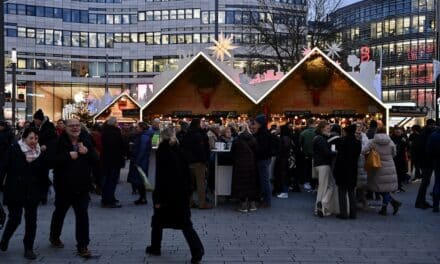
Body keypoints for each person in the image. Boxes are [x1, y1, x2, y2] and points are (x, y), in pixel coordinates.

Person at [146, 127, 204, 264]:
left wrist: (158, 197)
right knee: (185, 224)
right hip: (181, 193)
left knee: (158, 221)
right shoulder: (180, 150)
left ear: (162, 137)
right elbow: (187, 173)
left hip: (166, 194)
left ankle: (155, 247)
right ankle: (197, 250)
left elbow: (161, 177)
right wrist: (189, 190)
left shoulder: (162, 151)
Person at [49, 118, 98, 258]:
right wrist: (67, 156)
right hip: (63, 186)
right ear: (65, 128)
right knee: (60, 212)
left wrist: (87, 152)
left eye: (77, 125)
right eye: (72, 126)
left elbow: (96, 159)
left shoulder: (87, 140)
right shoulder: (58, 142)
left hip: (82, 186)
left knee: (82, 215)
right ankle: (54, 236)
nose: (75, 128)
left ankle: (83, 246)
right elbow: (50, 161)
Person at [0, 128, 44, 259]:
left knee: (31, 221)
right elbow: (3, 168)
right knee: (15, 218)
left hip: (32, 190)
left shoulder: (39, 152)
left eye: (36, 139)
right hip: (15, 189)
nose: (33, 141)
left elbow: (43, 171)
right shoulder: (14, 149)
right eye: (31, 138)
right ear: (24, 138)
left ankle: (28, 248)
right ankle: (5, 239)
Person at [363, 127, 401, 216]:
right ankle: (387, 206)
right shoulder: (390, 141)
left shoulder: (372, 141)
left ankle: (391, 204)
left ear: (376, 132)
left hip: (376, 166)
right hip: (389, 166)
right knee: (385, 188)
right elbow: (394, 153)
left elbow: (363, 151)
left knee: (378, 187)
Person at [181, 119, 212, 209]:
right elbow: (201, 149)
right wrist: (205, 160)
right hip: (198, 162)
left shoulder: (187, 134)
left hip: (188, 162)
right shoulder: (199, 135)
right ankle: (202, 203)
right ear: (198, 124)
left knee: (190, 183)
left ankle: (190, 202)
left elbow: (183, 148)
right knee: (200, 184)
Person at [334, 124, 361, 219]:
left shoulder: (341, 141)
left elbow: (338, 155)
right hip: (353, 169)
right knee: (351, 192)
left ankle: (343, 212)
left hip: (342, 169)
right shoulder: (358, 143)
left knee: (342, 191)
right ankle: (353, 213)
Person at [231, 123, 260, 212]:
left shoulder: (237, 140)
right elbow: (257, 152)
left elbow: (232, 152)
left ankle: (243, 205)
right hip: (251, 165)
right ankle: (252, 204)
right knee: (251, 183)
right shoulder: (253, 139)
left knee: (242, 184)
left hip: (240, 165)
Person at [313, 121, 338, 217]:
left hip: (320, 164)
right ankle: (319, 206)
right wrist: (335, 152)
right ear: (322, 128)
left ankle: (322, 205)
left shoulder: (319, 138)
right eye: (327, 128)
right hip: (323, 164)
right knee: (325, 187)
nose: (329, 130)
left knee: (328, 185)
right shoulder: (321, 139)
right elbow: (326, 153)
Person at [31, 109, 57, 205]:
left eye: (36, 119)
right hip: (34, 154)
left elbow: (54, 140)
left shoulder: (49, 127)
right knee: (36, 176)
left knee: (43, 175)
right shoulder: (33, 126)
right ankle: (36, 196)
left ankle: (43, 197)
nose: (35, 121)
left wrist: (46, 145)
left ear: (40, 119)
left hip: (45, 155)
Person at [100, 117, 125, 208]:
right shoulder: (115, 133)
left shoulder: (104, 131)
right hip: (114, 160)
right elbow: (120, 146)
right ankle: (109, 200)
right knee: (112, 180)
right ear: (114, 123)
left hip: (106, 159)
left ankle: (107, 198)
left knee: (107, 180)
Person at [127, 122, 152, 205]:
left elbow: (142, 150)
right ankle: (142, 197)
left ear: (142, 128)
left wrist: (137, 162)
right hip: (140, 160)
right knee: (139, 180)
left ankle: (143, 198)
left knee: (140, 180)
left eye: (137, 127)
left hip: (141, 162)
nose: (136, 128)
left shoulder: (144, 137)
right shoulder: (142, 136)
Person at [251, 115, 272, 208]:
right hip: (264, 159)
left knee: (264, 180)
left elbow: (261, 148)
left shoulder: (263, 135)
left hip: (263, 159)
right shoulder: (263, 133)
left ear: (260, 124)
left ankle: (267, 201)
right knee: (264, 179)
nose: (253, 125)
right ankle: (265, 199)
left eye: (255, 123)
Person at [415, 119, 437, 209]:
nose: (434, 127)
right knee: (425, 182)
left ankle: (422, 201)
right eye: (433, 125)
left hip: (425, 161)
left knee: (426, 182)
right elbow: (424, 149)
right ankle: (419, 202)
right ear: (429, 125)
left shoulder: (424, 133)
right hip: (426, 162)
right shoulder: (426, 134)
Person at [273, 125, 295, 199]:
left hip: (283, 159)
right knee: (285, 175)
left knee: (283, 175)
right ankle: (285, 190)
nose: (277, 129)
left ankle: (284, 192)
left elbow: (284, 149)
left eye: (278, 128)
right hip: (285, 159)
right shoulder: (286, 137)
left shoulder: (284, 138)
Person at [299, 118, 316, 191]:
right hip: (315, 154)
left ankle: (306, 182)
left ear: (307, 123)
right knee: (313, 170)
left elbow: (299, 144)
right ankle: (313, 184)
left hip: (305, 154)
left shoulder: (303, 133)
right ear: (313, 123)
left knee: (306, 169)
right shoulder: (317, 132)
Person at [391, 127, 408, 192]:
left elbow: (408, 146)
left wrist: (405, 142)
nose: (398, 133)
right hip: (394, 158)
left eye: (399, 132)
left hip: (401, 157)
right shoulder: (392, 138)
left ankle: (399, 186)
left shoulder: (404, 138)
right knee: (395, 173)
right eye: (396, 132)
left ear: (401, 132)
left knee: (401, 172)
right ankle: (396, 187)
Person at [427, 126, 440, 213]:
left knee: (437, 182)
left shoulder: (433, 135)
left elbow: (428, 150)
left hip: (437, 161)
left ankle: (436, 205)